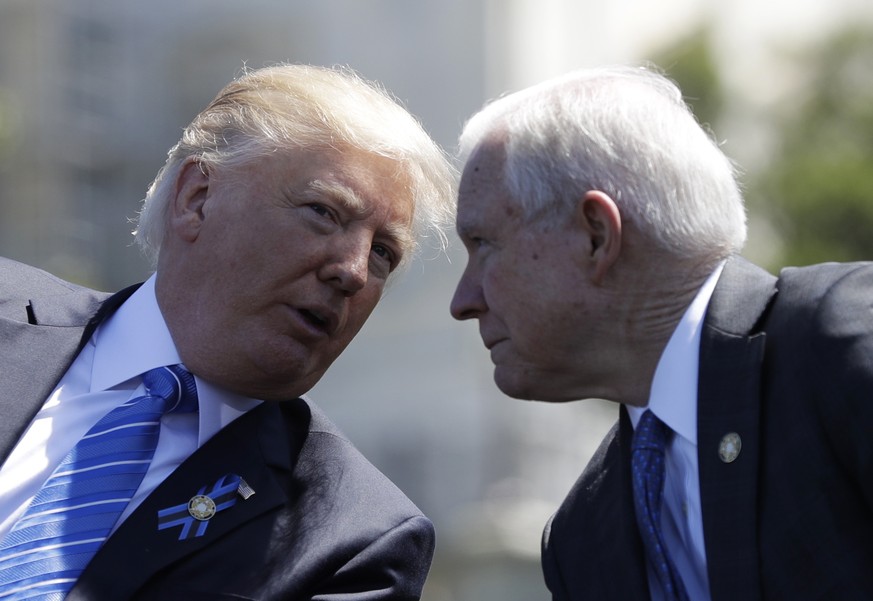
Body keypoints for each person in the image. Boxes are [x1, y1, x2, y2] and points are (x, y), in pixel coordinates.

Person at [0, 63, 455, 600]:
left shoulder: (354, 541)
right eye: (323, 213)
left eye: (383, 252)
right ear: (197, 198)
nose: (353, 271)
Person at [450, 65, 873, 600]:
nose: (463, 301)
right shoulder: (583, 536)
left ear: (596, 236)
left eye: (483, 244)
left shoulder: (846, 338)